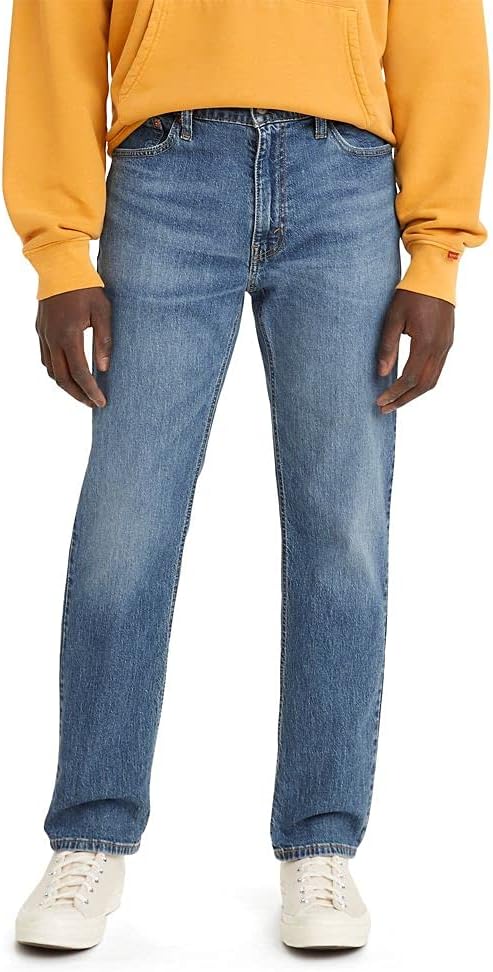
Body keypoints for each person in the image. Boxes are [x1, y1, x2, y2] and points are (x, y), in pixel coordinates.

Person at [3, 0, 489, 953]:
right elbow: (55, 31)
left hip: (347, 180)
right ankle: (90, 836)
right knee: (125, 525)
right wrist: (59, 252)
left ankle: (321, 844)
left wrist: (436, 258)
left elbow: (440, 36)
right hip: (164, 174)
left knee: (342, 531)